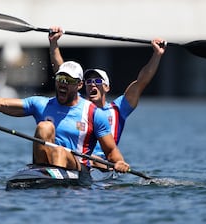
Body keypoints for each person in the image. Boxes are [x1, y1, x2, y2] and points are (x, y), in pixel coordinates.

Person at [0, 61, 130, 174]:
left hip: (78, 168)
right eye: (60, 79)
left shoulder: (93, 113)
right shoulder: (41, 104)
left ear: (79, 85)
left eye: (69, 81)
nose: (63, 84)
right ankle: (44, 171)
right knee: (45, 127)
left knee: (60, 150)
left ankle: (53, 180)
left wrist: (119, 163)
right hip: (44, 162)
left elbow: (112, 153)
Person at [49, 26, 166, 159]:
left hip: (104, 163)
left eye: (98, 82)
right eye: (89, 82)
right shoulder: (78, 104)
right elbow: (62, 71)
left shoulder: (118, 109)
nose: (92, 84)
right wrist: (54, 43)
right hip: (78, 160)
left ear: (107, 87)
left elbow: (141, 82)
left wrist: (157, 55)